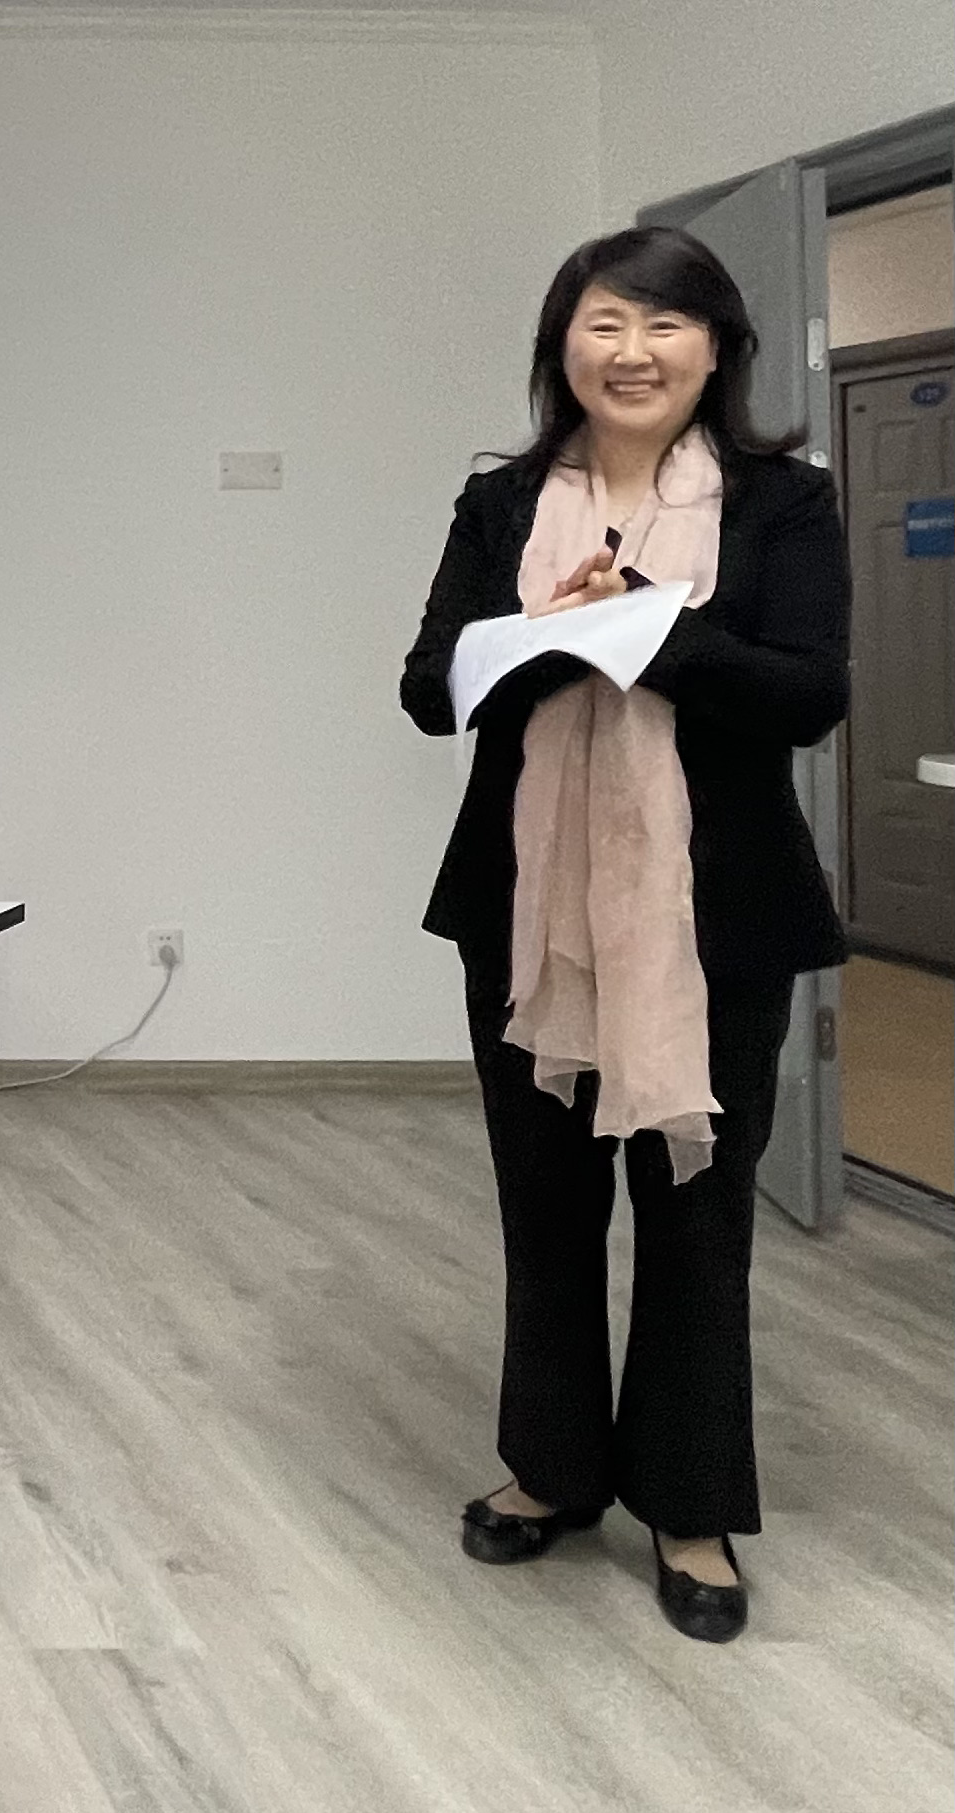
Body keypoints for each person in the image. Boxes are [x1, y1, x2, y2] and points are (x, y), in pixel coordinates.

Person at [401, 227, 848, 1643]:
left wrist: (653, 631)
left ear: (717, 350)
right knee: (544, 1210)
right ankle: (550, 1467)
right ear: (563, 347)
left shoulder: (782, 504)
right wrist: (538, 638)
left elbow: (807, 693)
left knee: (697, 1220)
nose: (633, 351)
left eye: (664, 325)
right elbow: (428, 686)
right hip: (525, 910)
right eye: (604, 323)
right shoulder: (502, 502)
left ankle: (690, 1503)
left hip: (718, 917)